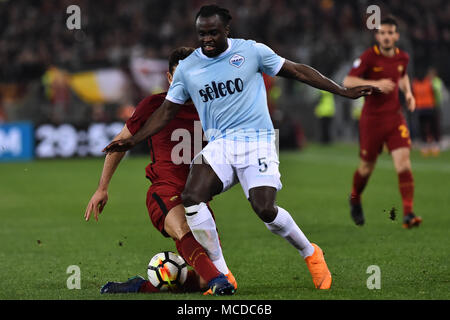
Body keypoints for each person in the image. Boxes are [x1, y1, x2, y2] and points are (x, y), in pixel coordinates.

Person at [104, 5, 376, 290]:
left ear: (226, 30)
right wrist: (134, 140)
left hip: (257, 141)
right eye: (201, 34)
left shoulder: (251, 52)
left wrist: (342, 91)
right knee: (192, 196)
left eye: (212, 33)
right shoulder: (188, 67)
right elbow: (166, 112)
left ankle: (311, 252)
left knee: (265, 209)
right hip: (220, 144)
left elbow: (297, 71)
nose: (207, 39)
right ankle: (222, 274)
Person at [84, 47, 237, 296]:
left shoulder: (213, 108)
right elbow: (121, 142)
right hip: (165, 190)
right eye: (180, 75)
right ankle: (220, 282)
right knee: (190, 240)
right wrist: (102, 188)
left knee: (200, 279)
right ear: (169, 78)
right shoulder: (154, 105)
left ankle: (139, 286)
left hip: (198, 197)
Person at [343, 16, 422, 229]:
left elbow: (402, 76)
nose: (386, 37)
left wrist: (408, 94)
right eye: (382, 33)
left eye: (390, 33)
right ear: (377, 36)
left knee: (404, 163)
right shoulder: (368, 57)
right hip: (371, 121)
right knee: (366, 168)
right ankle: (355, 198)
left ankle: (408, 213)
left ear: (396, 36)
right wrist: (375, 82)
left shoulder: (402, 58)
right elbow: (347, 81)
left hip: (395, 118)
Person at [412, 67, 443, 157]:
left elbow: (436, 93)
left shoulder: (429, 82)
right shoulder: (417, 84)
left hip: (429, 108)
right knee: (424, 128)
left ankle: (434, 145)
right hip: (423, 108)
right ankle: (427, 146)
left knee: (432, 127)